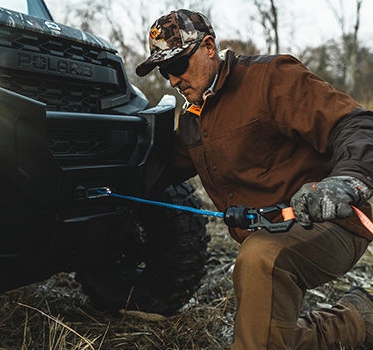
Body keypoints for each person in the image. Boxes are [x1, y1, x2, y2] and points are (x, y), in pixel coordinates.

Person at [136, 9, 373, 350]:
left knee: (261, 258)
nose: (172, 80)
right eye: (163, 71)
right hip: (267, 237)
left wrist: (347, 181)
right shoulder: (191, 121)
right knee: (272, 336)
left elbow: (357, 125)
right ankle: (357, 321)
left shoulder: (271, 79)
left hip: (333, 222)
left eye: (176, 65)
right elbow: (162, 170)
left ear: (209, 47)